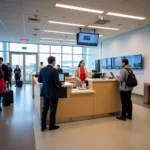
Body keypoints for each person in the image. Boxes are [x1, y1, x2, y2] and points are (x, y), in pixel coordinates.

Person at [38, 56, 62, 132]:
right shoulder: (55, 71)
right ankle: (51, 125)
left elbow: (39, 80)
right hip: (53, 93)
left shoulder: (42, 69)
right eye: (55, 61)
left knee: (45, 109)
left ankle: (43, 126)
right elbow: (57, 83)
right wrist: (61, 84)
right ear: (53, 62)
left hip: (45, 92)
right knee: (52, 109)